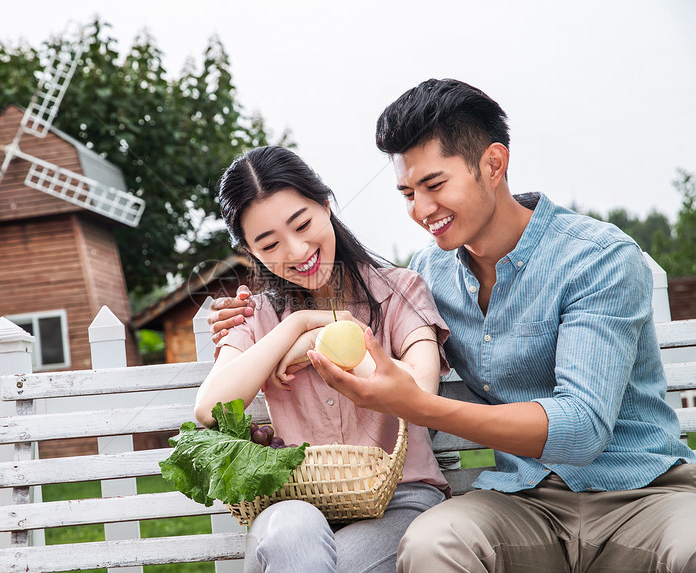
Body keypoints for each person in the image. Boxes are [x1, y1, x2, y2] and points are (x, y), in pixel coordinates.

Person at [211, 79, 696, 572]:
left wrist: (419, 404)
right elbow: (355, 307)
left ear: (493, 164)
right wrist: (268, 329)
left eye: (435, 186)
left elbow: (582, 429)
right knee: (432, 544)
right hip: (524, 500)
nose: (420, 211)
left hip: (641, 492)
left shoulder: (597, 258)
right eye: (407, 193)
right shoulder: (431, 273)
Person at [195, 145, 452, 573]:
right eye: (269, 243)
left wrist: (329, 340)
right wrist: (296, 329)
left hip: (398, 504)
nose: (296, 251)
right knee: (293, 529)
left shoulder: (401, 289)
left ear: (326, 205)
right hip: (291, 503)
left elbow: (421, 391)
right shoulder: (254, 316)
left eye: (303, 223)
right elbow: (209, 408)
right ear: (250, 252)